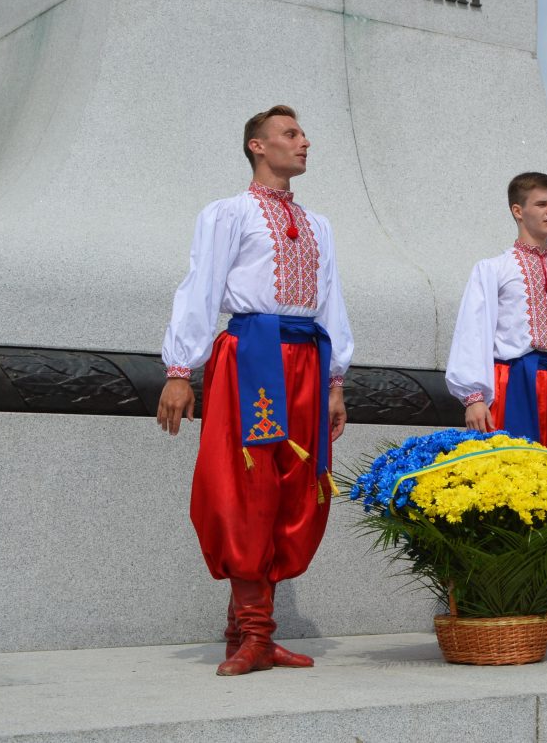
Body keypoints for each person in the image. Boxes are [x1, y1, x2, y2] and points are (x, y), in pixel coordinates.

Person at [158, 106, 353, 676]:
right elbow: (200, 286)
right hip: (253, 353)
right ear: (257, 146)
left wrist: (336, 379)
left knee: (294, 486)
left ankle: (249, 632)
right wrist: (178, 369)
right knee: (245, 484)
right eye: (291, 134)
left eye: (302, 133)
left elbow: (331, 299)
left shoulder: (319, 225)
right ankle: (255, 634)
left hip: (308, 359)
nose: (304, 142)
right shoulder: (228, 214)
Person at [445, 171, 547, 644]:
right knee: (508, 489)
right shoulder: (493, 269)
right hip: (511, 383)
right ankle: (500, 604)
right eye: (541, 204)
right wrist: (474, 395)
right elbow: (473, 330)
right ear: (518, 210)